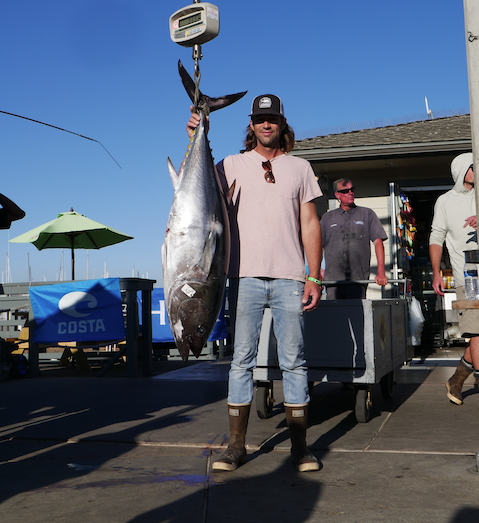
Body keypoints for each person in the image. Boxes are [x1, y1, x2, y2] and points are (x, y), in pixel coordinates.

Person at [187, 94, 323, 472]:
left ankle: (300, 448)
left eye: (272, 119)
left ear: (282, 123)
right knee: (241, 361)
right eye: (260, 120)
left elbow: (310, 223)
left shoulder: (300, 167)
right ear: (251, 125)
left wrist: (314, 274)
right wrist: (195, 134)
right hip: (242, 276)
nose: (266, 125)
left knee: (294, 361)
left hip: (290, 277)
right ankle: (236, 446)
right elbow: (193, 188)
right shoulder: (230, 164)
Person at [430, 152, 478, 405]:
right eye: (473, 166)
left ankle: (457, 380)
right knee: (478, 332)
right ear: (462, 171)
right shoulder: (445, 201)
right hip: (469, 277)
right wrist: (437, 273)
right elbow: (436, 238)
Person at [320, 178, 388, 299]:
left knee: (357, 315)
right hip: (333, 281)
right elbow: (319, 246)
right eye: (345, 191)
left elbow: (378, 242)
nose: (350, 193)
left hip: (358, 280)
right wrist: (317, 271)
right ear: (337, 195)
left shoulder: (367, 214)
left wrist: (381, 272)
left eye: (352, 190)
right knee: (335, 316)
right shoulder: (327, 217)